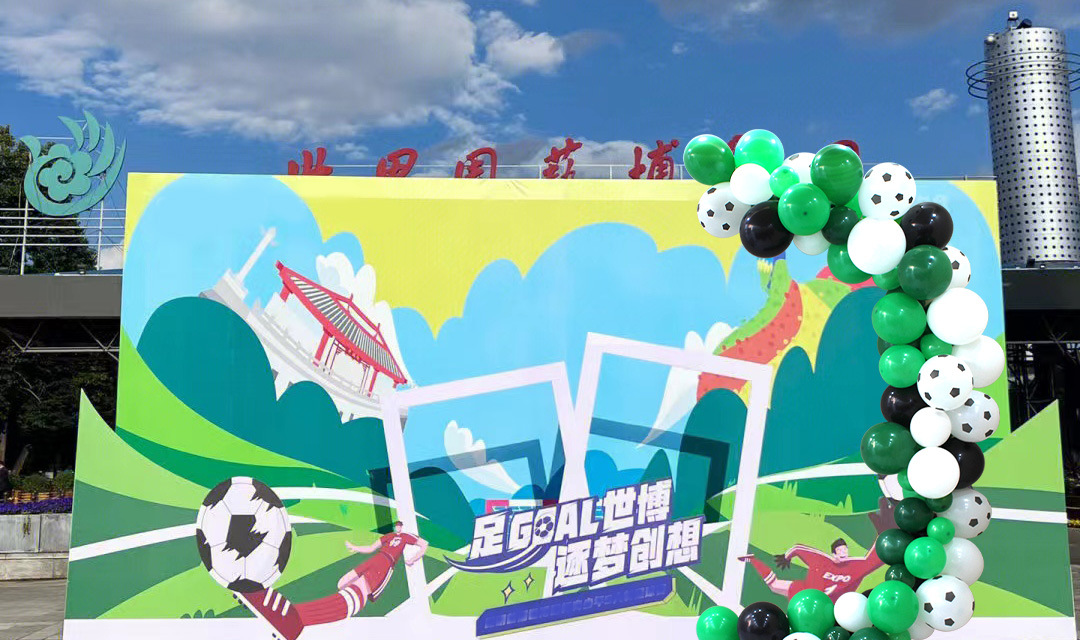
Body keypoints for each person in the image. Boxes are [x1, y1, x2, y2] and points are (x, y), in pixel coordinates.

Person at [238, 521, 428, 640]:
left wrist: (413, 558)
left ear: (402, 527)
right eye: (397, 526)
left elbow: (424, 544)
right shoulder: (389, 536)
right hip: (375, 558)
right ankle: (294, 619)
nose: (398, 528)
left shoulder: (406, 536)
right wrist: (355, 547)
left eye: (400, 526)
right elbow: (371, 548)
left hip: (386, 564)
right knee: (342, 583)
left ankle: (296, 618)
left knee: (359, 589)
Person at [740, 497, 894, 602]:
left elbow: (874, 559)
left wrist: (885, 533)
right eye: (840, 550)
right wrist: (787, 556)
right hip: (807, 598)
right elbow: (799, 549)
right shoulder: (821, 560)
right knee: (774, 585)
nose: (844, 553)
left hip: (835, 613)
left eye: (845, 550)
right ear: (833, 553)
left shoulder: (856, 566)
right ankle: (752, 559)